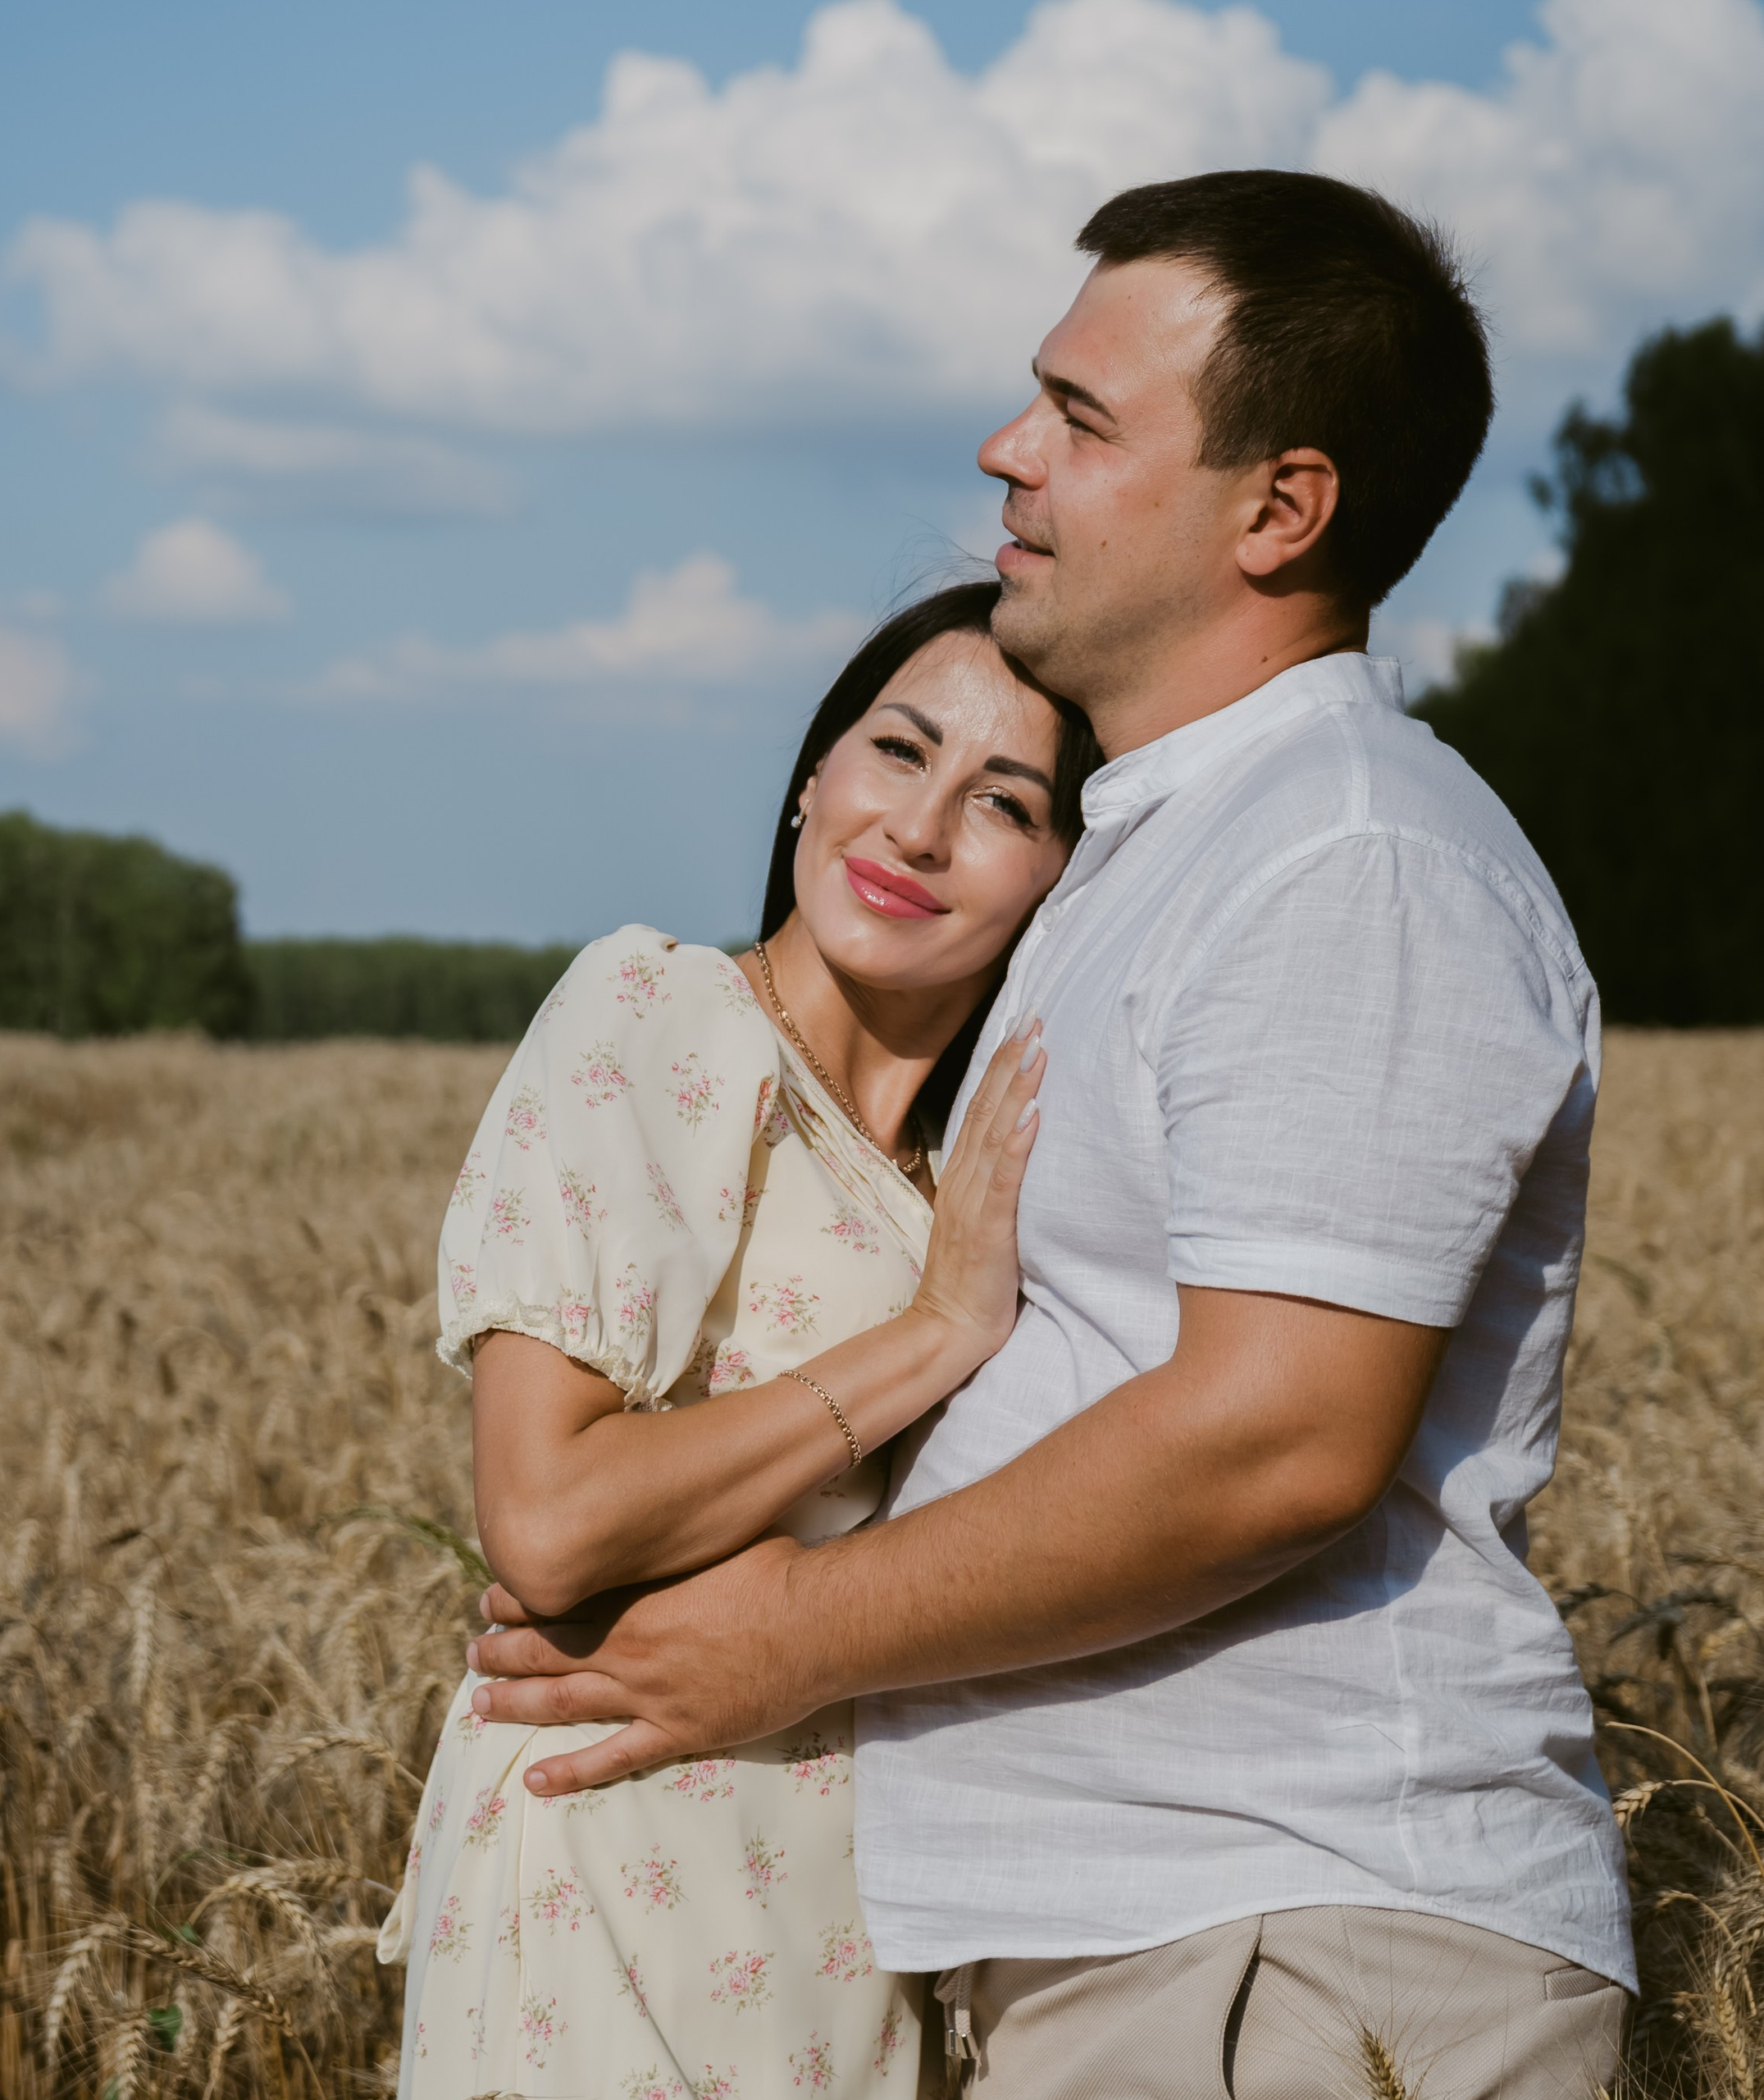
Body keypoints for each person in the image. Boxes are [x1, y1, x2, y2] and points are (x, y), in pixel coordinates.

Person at [465, 171, 1638, 2097]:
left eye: (1082, 419)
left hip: (1282, 1930)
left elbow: (1276, 1436)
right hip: (1158, 1940)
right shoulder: (1163, 856)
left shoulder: (1343, 850)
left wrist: (786, 1634)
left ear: (1280, 507)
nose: (1006, 452)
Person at [376, 581, 1101, 2096]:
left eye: (1003, 802)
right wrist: (932, 1334)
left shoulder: (974, 1180)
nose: (918, 829)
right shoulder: (663, 1016)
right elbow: (553, 1521)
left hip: (859, 1932)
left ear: (1057, 878)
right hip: (611, 1870)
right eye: (896, 752)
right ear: (809, 786)